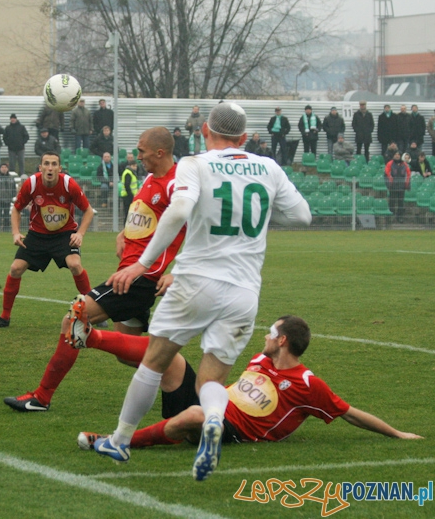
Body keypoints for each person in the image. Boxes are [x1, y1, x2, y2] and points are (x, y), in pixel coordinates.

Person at [99, 102, 312, 481]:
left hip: (196, 281)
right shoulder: (268, 167)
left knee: (154, 361)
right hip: (244, 291)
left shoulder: (194, 164)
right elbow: (302, 216)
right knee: (210, 382)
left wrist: (141, 264)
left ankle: (119, 439)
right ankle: (214, 419)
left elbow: (179, 210)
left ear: (204, 132)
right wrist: (263, 213)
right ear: (244, 138)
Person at [2, 126, 185, 412]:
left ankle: (42, 396)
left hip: (138, 278)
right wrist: (124, 233)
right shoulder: (151, 178)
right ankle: (186, 383)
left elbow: (198, 227)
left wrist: (179, 272)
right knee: (130, 355)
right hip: (129, 273)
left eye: (141, 151)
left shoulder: (176, 185)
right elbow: (144, 213)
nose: (137, 157)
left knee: (72, 320)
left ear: (159, 152)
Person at [78, 316, 422, 451]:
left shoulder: (306, 384)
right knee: (173, 358)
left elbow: (349, 413)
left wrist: (396, 433)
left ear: (283, 341)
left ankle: (115, 442)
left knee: (196, 416)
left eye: (271, 333)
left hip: (232, 428)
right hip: (211, 404)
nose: (265, 336)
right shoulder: (260, 359)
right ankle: (93, 337)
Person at [0, 151, 94, 329]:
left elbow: (88, 211)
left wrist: (80, 233)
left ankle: (92, 311)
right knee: (15, 269)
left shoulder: (68, 184)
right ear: (40, 167)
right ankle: (4, 318)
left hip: (64, 234)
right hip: (37, 235)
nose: (50, 168)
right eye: (46, 164)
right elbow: (16, 209)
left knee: (75, 265)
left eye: (53, 164)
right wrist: (15, 232)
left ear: (59, 168)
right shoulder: (32, 183)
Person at [385, 151, 410, 223]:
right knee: (392, 202)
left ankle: (400, 217)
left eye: (398, 155)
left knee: (400, 203)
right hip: (393, 187)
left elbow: (408, 175)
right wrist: (389, 184)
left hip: (401, 187)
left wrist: (407, 185)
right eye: (395, 154)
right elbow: (387, 174)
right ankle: (391, 216)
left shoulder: (404, 165)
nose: (397, 156)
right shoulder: (389, 164)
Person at [0, 162, 16, 231]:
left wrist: (11, 195)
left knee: (6, 215)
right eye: (2, 167)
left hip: (8, 199)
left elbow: (14, 188)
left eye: (5, 167)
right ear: (0, 168)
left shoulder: (11, 178)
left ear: (7, 169)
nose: (4, 169)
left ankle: (6, 228)